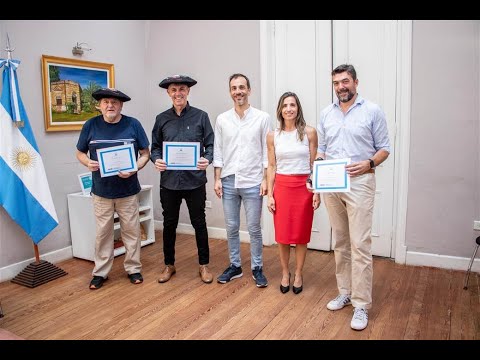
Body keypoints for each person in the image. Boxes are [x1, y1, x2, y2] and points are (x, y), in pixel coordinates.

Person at [314, 64, 390, 330]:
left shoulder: (372, 111)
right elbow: (322, 148)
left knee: (360, 245)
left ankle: (361, 305)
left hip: (360, 183)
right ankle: (345, 291)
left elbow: (385, 149)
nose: (340, 87)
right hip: (332, 185)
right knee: (342, 243)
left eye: (345, 81)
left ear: (356, 82)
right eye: (336, 83)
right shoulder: (326, 113)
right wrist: (317, 167)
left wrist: (369, 163)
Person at [76, 88, 151, 290]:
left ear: (121, 105)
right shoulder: (90, 125)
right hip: (101, 191)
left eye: (114, 102)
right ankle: (100, 272)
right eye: (106, 102)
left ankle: (134, 268)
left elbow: (145, 153)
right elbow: (80, 153)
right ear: (99, 105)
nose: (110, 105)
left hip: (127, 190)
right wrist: (87, 163)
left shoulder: (133, 124)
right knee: (103, 233)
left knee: (131, 231)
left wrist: (135, 166)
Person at [151, 75, 215, 284]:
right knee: (169, 225)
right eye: (173, 90)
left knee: (199, 223)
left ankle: (203, 266)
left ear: (188, 91)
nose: (178, 93)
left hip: (195, 180)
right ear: (168, 93)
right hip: (169, 182)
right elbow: (155, 147)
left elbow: (211, 145)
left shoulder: (201, 116)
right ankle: (169, 265)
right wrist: (157, 159)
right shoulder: (161, 119)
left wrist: (207, 158)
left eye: (182, 89)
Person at [213, 73, 271, 288]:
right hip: (228, 180)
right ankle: (235, 266)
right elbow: (218, 150)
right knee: (231, 226)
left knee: (254, 228)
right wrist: (217, 178)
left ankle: (257, 267)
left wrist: (266, 180)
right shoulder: (222, 119)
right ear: (230, 92)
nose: (238, 91)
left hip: (253, 180)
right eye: (234, 88)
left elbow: (267, 151)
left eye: (242, 87)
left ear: (249, 90)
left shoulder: (262, 118)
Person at [266, 92, 321, 295]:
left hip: (304, 188)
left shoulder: (310, 133)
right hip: (282, 186)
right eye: (285, 105)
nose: (289, 108)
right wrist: (270, 194)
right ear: (280, 109)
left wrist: (317, 192)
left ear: (298, 108)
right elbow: (271, 166)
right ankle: (285, 273)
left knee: (300, 235)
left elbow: (314, 165)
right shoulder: (273, 135)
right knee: (282, 235)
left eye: (293, 105)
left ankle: (298, 273)